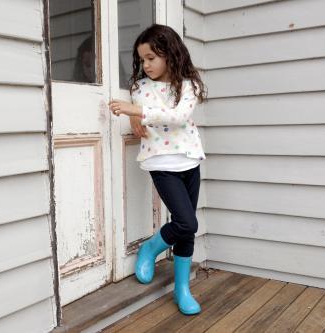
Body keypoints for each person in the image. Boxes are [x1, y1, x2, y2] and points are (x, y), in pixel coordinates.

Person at [108, 24, 207, 316]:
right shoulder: (139, 88)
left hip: (189, 159)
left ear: (170, 54)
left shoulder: (188, 85)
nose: (146, 65)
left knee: (186, 226)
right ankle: (152, 247)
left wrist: (135, 112)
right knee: (187, 223)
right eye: (142, 60)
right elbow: (140, 119)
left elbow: (177, 116)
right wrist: (133, 119)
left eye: (151, 57)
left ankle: (181, 289)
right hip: (161, 162)